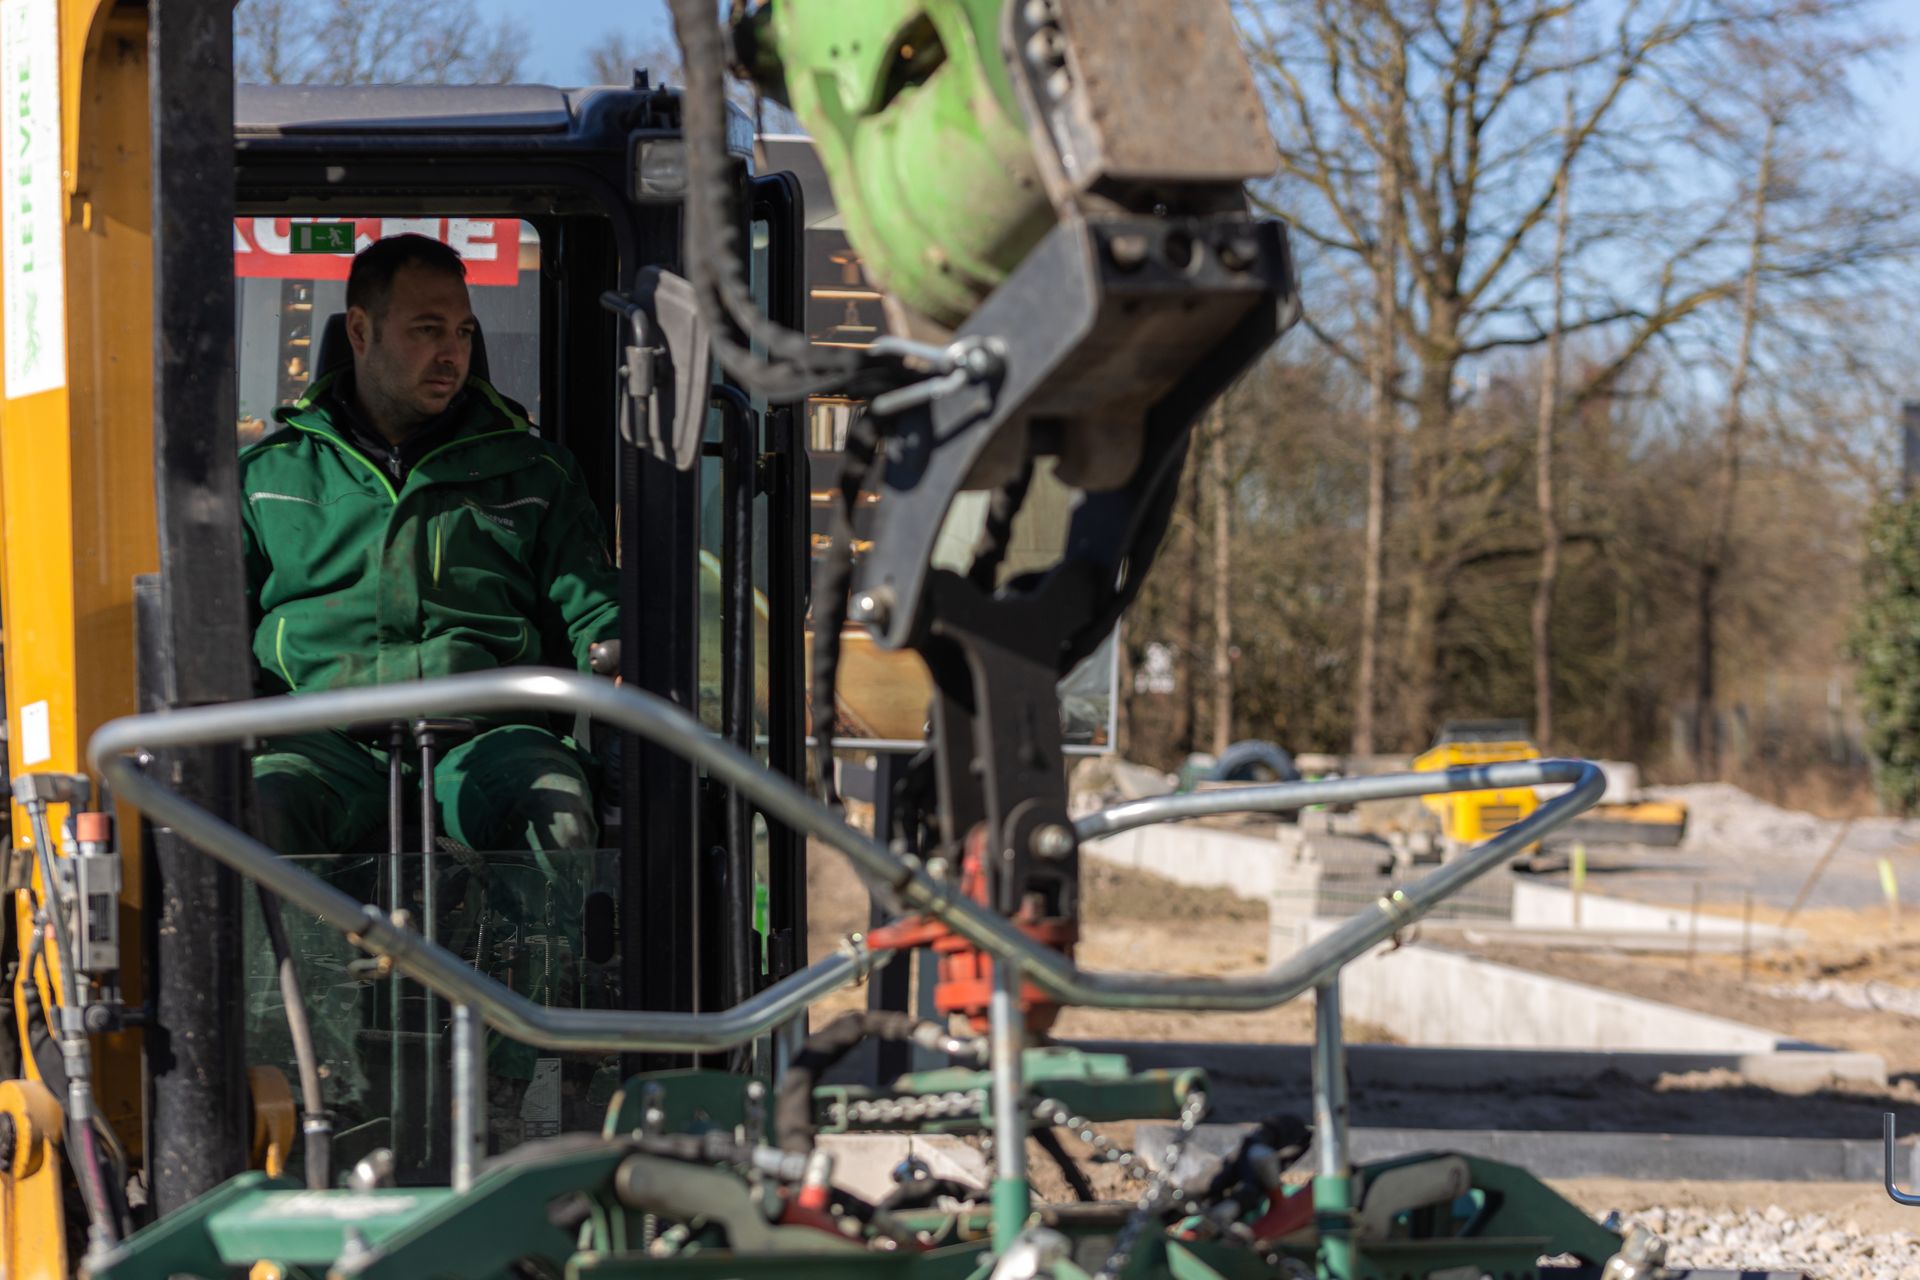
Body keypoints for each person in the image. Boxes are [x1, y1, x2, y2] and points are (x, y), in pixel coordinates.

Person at [239, 233, 619, 1130]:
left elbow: (597, 620)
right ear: (359, 331)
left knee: (557, 810)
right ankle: (312, 1089)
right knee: (259, 806)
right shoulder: (268, 479)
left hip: (480, 736)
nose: (451, 352)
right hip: (325, 740)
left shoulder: (531, 473)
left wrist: (634, 676)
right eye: (425, 330)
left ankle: (511, 1087)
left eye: (463, 331)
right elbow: (216, 637)